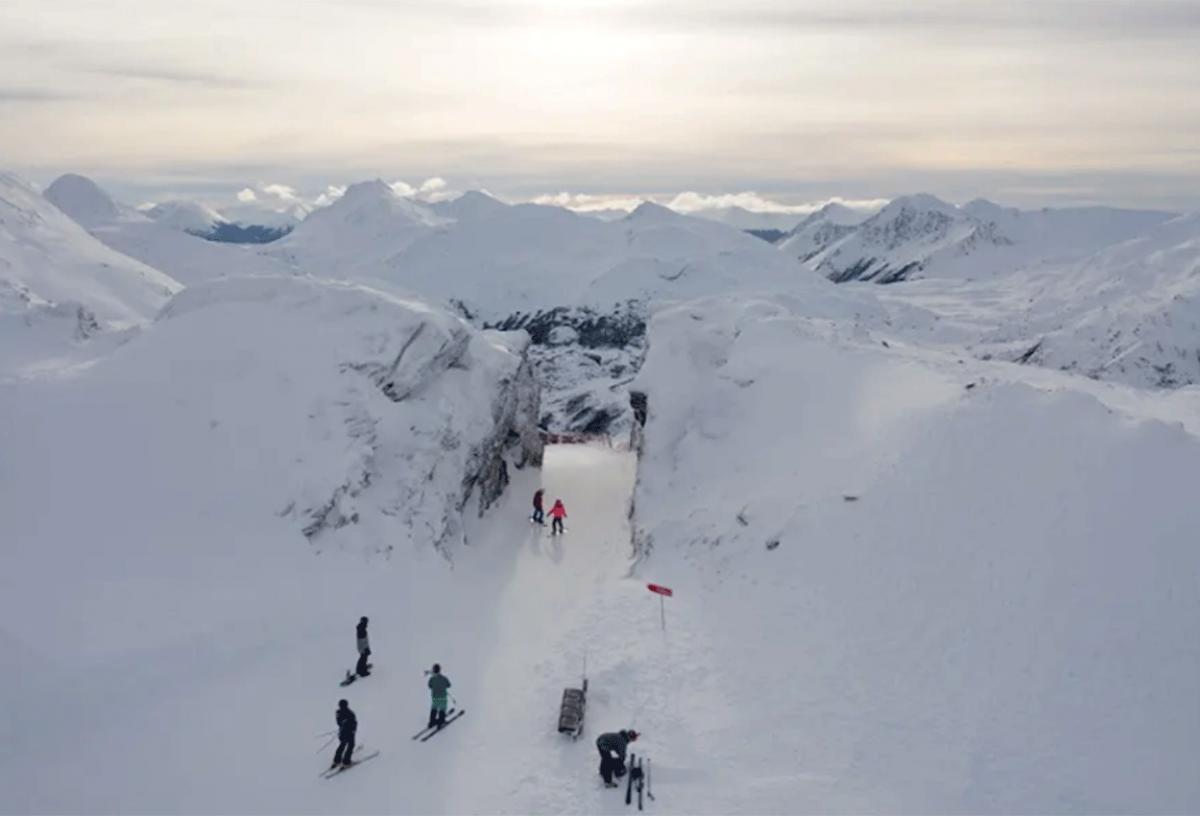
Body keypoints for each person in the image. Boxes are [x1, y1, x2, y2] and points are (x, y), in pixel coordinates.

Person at [332, 699, 357, 769]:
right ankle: (346, 762)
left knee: (342, 744)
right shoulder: (350, 713)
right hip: (349, 732)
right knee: (351, 745)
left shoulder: (338, 712)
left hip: (342, 732)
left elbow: (338, 722)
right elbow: (354, 723)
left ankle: (337, 760)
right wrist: (353, 730)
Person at [427, 663, 452, 728]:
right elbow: (449, 685)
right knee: (442, 708)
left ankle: (432, 722)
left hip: (435, 697)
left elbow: (429, 686)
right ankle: (441, 722)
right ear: (439, 670)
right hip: (442, 697)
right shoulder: (444, 678)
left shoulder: (432, 679)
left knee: (434, 708)